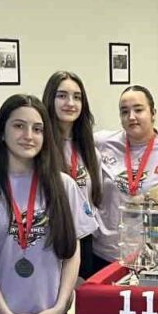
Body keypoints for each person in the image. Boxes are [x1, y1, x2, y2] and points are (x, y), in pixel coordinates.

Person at [0, 94, 96, 314]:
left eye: (37, 129)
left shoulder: (64, 185)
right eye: (19, 126)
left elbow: (72, 253)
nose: (28, 136)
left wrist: (60, 307)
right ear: (2, 132)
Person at [90, 85, 158, 275]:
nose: (131, 117)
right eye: (124, 111)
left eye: (138, 109)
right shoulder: (102, 142)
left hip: (150, 257)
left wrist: (151, 199)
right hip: (104, 254)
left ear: (153, 113)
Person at [42, 71, 104, 279]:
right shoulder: (40, 147)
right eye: (62, 96)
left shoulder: (90, 151)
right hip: (48, 238)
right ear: (50, 99)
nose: (70, 103)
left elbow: (94, 200)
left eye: (77, 97)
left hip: (83, 240)